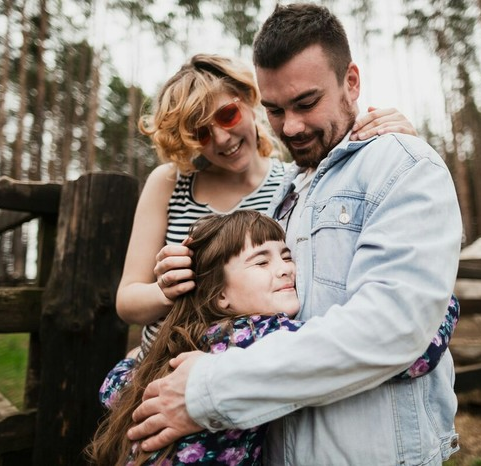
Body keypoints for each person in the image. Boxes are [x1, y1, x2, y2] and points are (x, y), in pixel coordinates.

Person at [127, 4, 463, 465]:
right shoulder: (289, 192)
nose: (291, 126)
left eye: (306, 103)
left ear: (351, 82)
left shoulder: (395, 164)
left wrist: (208, 387)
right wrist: (179, 283)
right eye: (276, 110)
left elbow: (392, 326)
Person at [89, 211, 459, 465]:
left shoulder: (195, 339)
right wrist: (438, 299)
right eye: (261, 262)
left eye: (285, 256)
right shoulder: (260, 333)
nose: (285, 270)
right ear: (220, 295)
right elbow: (413, 354)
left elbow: (112, 389)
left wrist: (141, 355)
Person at [115, 53, 420, 360]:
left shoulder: (293, 184)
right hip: (160, 364)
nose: (221, 138)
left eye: (227, 115)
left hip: (248, 366)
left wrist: (403, 144)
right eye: (201, 133)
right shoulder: (170, 183)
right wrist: (166, 290)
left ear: (250, 100)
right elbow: (127, 302)